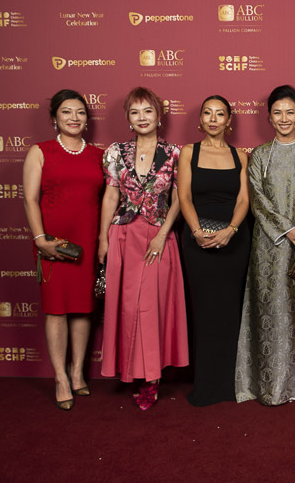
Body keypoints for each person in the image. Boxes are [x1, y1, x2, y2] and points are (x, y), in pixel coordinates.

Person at [98, 87, 188, 410]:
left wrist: (163, 234)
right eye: (135, 112)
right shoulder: (115, 152)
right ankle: (133, 372)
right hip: (123, 234)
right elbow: (111, 195)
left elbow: (179, 198)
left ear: (159, 115)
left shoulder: (175, 153)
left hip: (157, 236)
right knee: (126, 308)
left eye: (148, 111)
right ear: (128, 118)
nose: (142, 117)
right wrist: (102, 238)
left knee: (151, 308)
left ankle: (152, 379)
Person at [234, 85, 295, 405]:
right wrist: (288, 230)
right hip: (269, 247)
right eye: (277, 112)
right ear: (269, 117)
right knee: (270, 311)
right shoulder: (259, 155)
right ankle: (268, 384)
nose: (284, 118)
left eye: (290, 112)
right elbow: (258, 201)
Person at [22, 89, 104, 410]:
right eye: (67, 112)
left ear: (87, 119)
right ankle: (60, 378)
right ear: (54, 118)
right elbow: (30, 199)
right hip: (53, 242)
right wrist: (40, 238)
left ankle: (77, 371)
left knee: (82, 308)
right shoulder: (40, 151)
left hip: (87, 242)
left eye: (80, 112)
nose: (74, 117)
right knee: (56, 309)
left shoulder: (98, 155)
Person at [178, 95, 250, 407]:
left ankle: (230, 385)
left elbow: (244, 200)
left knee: (230, 311)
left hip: (235, 241)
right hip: (198, 241)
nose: (213, 119)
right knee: (205, 311)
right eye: (207, 113)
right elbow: (184, 197)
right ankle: (206, 385)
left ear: (228, 121)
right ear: (200, 119)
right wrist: (197, 232)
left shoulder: (240, 156)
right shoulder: (189, 152)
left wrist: (231, 230)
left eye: (220, 114)